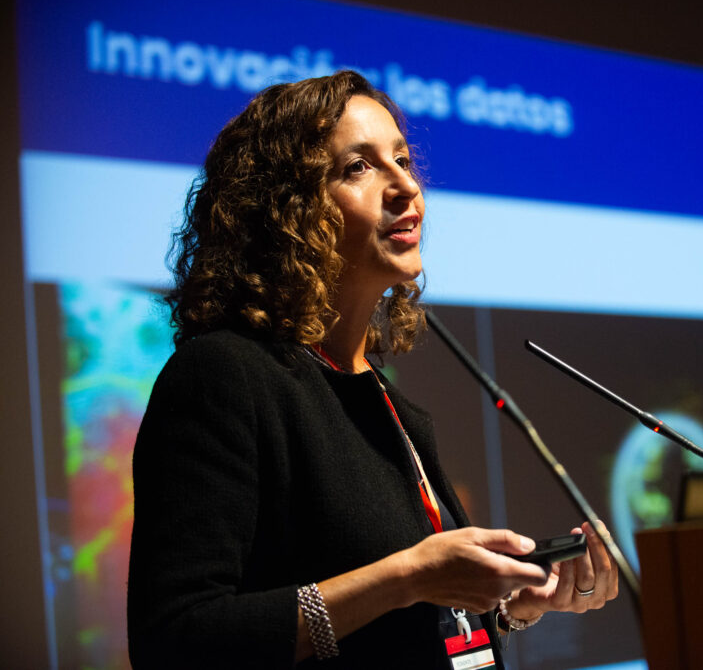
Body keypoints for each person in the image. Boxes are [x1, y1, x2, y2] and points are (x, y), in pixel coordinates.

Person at [127, 70, 618, 669]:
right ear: (283, 211)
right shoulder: (224, 377)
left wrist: (511, 606)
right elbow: (175, 637)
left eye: (403, 160)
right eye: (358, 167)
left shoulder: (389, 404)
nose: (405, 186)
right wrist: (406, 577)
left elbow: (401, 632)